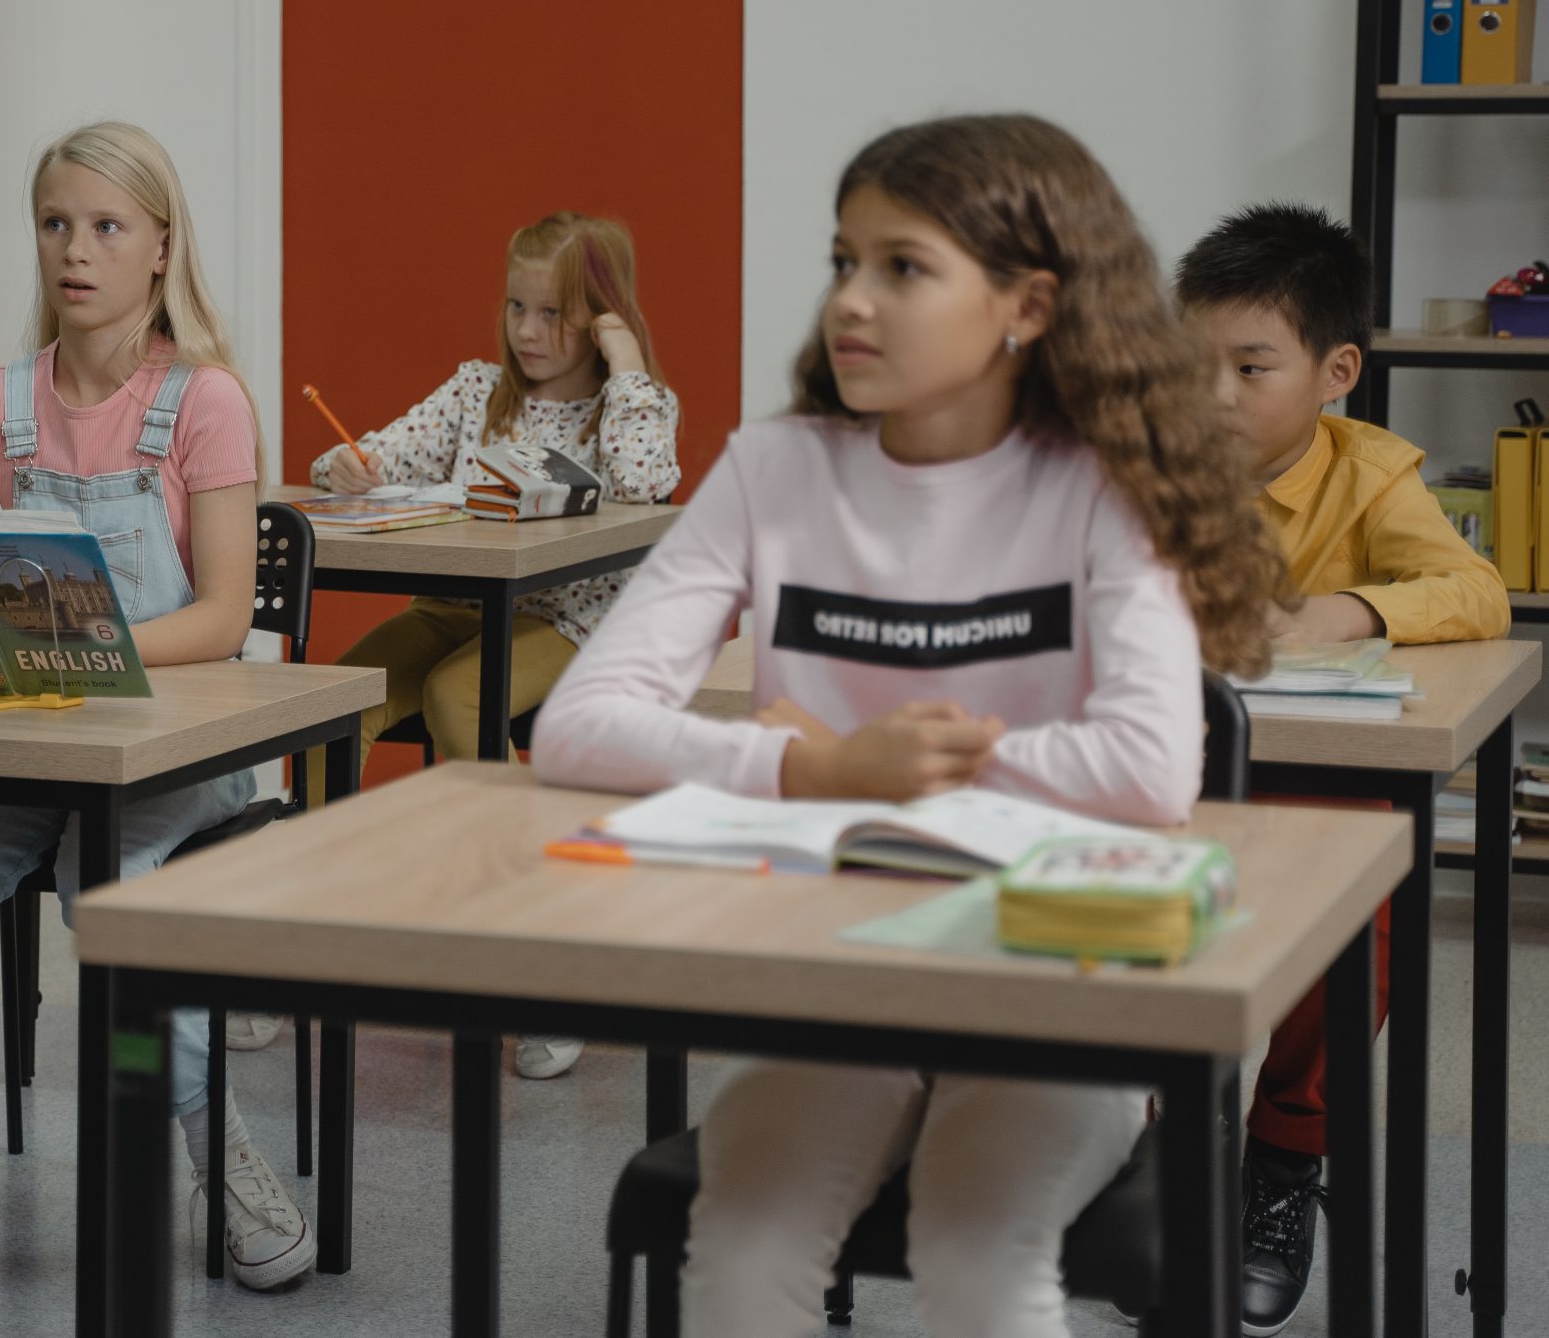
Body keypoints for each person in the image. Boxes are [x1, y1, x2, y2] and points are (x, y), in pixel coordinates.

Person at [532, 114, 1282, 1335]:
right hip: (834, 977)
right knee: (745, 1247)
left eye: (903, 267)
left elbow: (1149, 769)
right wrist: (808, 761)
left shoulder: (1101, 482)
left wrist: (875, 773)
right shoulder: (776, 469)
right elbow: (576, 726)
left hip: (1049, 979)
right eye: (843, 261)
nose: (852, 302)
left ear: (1027, 306)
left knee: (981, 1256)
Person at [0, 121, 314, 1290]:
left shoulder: (205, 403)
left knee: (115, 897)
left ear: (158, 249)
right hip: (26, 752)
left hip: (175, 753)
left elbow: (226, 615)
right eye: (54, 224)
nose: (74, 250)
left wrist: (87, 661)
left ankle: (215, 1146)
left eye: (104, 227)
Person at [1177, 201, 1509, 1335]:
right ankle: (1146, 1150)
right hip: (1154, 765)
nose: (1211, 394)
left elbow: (1476, 595)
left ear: (1336, 372)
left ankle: (1282, 1159)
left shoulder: (1368, 478)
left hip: (1304, 771)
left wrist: (1344, 605)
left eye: (1248, 366)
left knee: (1359, 901)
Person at [300, 210, 679, 1079]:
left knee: (457, 697)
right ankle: (314, 942)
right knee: (331, 701)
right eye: (517, 308)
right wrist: (346, 467)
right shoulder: (479, 391)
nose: (529, 332)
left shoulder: (629, 408)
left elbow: (647, 483)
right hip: (457, 605)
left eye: (555, 314)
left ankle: (538, 952)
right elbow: (376, 456)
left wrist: (627, 366)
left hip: (570, 621)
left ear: (602, 315)